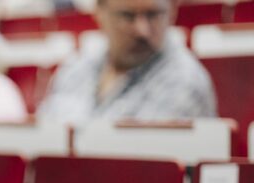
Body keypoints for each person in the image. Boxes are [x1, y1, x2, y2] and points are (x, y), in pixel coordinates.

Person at [38, 0, 216, 122]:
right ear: (99, 12)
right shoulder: (75, 68)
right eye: (127, 16)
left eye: (153, 15)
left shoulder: (185, 81)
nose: (142, 30)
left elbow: (141, 160)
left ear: (172, 10)